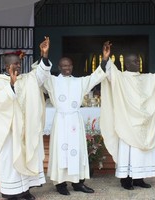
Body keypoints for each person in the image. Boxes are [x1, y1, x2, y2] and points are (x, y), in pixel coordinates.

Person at [35, 38, 107, 196]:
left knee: (78, 150)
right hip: (60, 120)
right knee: (60, 151)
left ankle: (78, 183)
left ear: (72, 66)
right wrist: (44, 55)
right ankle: (60, 184)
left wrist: (105, 59)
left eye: (69, 65)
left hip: (75, 120)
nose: (67, 68)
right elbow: (40, 74)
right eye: (63, 66)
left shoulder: (80, 82)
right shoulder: (51, 81)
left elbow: (96, 77)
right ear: (59, 67)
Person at [100, 42, 155, 190]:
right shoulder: (120, 77)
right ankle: (126, 180)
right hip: (128, 123)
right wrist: (105, 58)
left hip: (144, 124)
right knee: (128, 152)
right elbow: (107, 71)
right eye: (134, 61)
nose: (138, 63)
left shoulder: (146, 78)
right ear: (126, 64)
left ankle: (139, 178)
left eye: (138, 60)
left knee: (141, 153)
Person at [0, 39, 50, 200]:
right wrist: (11, 86)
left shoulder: (28, 79)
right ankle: (10, 192)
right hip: (9, 133)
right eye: (15, 64)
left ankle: (24, 190)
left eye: (20, 63)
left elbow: (41, 74)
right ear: (7, 67)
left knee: (26, 156)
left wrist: (44, 54)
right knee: (11, 160)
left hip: (25, 130)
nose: (19, 66)